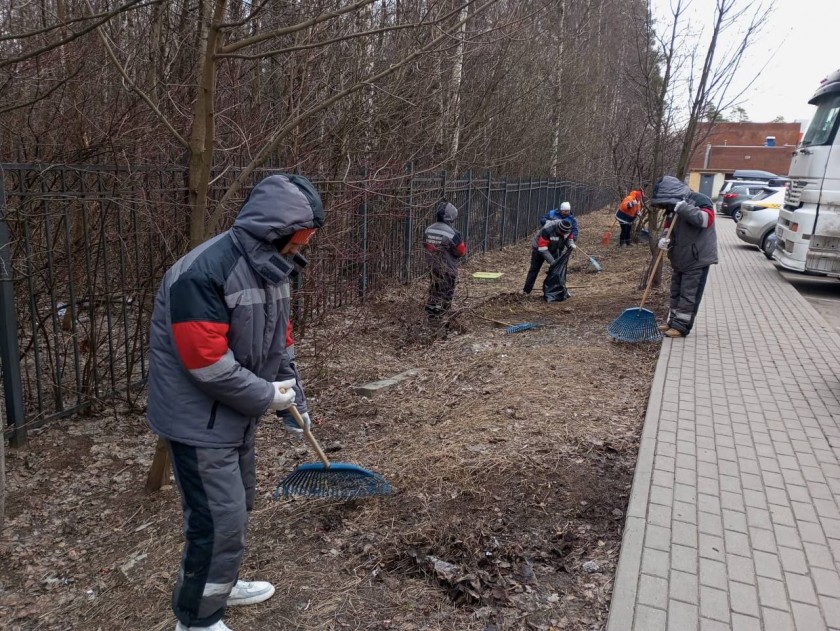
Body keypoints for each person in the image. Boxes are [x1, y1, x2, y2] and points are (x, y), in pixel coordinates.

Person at [146, 173, 325, 631]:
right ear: (278, 227)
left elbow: (279, 343)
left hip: (235, 415)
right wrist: (267, 395)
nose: (306, 242)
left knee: (239, 506)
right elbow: (205, 363)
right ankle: (197, 619)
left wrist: (292, 398)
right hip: (198, 422)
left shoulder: (275, 269)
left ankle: (223, 581)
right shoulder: (203, 272)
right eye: (304, 233)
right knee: (218, 520)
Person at [649, 175, 718, 338]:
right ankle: (673, 321)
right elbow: (668, 225)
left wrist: (684, 208)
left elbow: (705, 220)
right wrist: (664, 238)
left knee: (689, 293)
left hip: (696, 257)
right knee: (676, 291)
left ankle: (682, 326)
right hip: (679, 257)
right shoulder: (672, 206)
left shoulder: (701, 200)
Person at [423, 200, 466, 320]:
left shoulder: (428, 229)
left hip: (432, 266)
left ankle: (431, 309)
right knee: (447, 291)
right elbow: (461, 251)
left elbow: (426, 245)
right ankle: (442, 313)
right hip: (448, 267)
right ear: (451, 217)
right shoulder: (452, 233)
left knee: (435, 287)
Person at [523, 217, 576, 295]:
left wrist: (571, 244)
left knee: (558, 270)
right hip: (539, 249)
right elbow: (543, 249)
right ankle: (526, 291)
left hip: (554, 248)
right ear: (558, 228)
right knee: (534, 270)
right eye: (562, 233)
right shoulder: (547, 230)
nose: (563, 234)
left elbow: (569, 239)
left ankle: (557, 290)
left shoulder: (568, 229)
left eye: (565, 233)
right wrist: (552, 262)